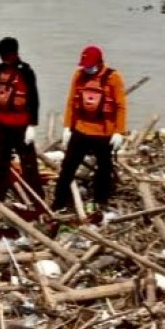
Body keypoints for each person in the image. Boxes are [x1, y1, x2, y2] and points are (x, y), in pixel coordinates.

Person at [51, 45, 126, 211]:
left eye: (90, 66)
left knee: (104, 168)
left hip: (103, 132)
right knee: (68, 167)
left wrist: (119, 132)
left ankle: (101, 201)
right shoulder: (78, 75)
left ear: (99, 63)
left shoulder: (113, 78)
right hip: (81, 130)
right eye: (85, 66)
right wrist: (67, 128)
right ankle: (59, 202)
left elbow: (120, 106)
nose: (87, 69)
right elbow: (71, 102)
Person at [0, 37, 43, 201]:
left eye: (6, 55)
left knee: (29, 164)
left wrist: (32, 125)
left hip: (22, 125)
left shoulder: (26, 71)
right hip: (3, 123)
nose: (4, 59)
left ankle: (36, 197)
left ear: (14, 53)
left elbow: (34, 99)